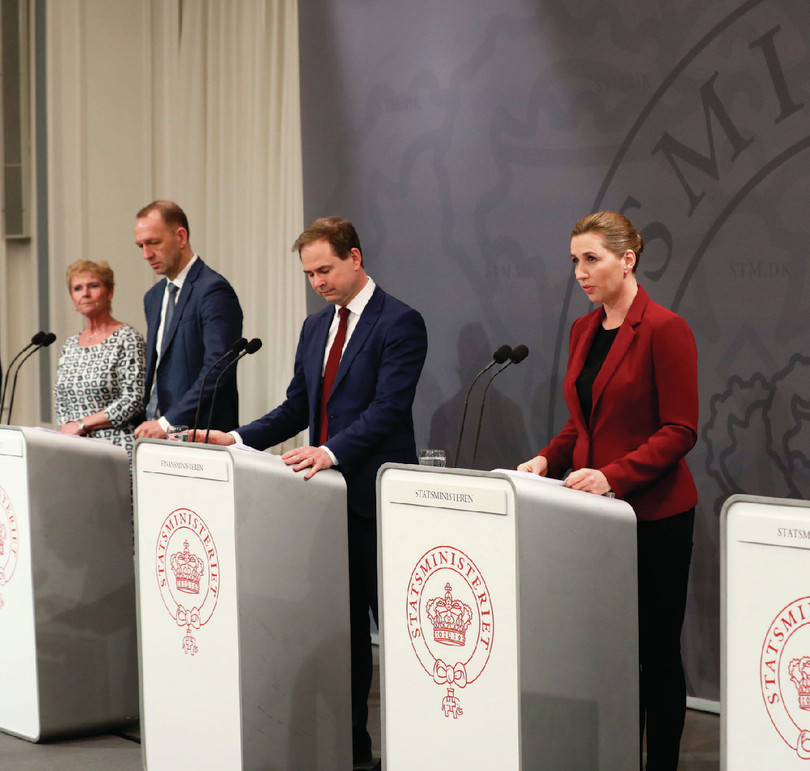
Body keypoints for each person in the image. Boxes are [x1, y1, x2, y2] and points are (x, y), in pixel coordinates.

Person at [199, 216, 428, 769]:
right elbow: (298, 408)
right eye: (309, 274)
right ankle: (352, 752)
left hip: (378, 502)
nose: (318, 282)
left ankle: (416, 749)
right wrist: (237, 438)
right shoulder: (314, 327)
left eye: (325, 269)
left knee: (397, 639)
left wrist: (330, 451)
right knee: (343, 636)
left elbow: (387, 410)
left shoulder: (400, 322)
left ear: (355, 257)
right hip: (325, 504)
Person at [518, 211, 698, 771]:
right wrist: (548, 457)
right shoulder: (582, 331)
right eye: (574, 261)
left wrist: (613, 476)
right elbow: (583, 425)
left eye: (590, 259)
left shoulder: (666, 328)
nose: (580, 272)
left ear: (628, 259)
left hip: (654, 516)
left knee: (655, 655)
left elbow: (680, 430)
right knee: (604, 650)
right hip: (594, 521)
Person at [134, 200, 243, 439]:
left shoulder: (213, 290)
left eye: (153, 243)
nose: (146, 254)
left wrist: (169, 422)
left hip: (200, 433)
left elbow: (218, 369)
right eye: (140, 245)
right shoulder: (153, 297)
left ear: (181, 237)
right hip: (155, 432)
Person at [54, 260, 146, 458]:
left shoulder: (127, 337)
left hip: (115, 448)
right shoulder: (70, 345)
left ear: (110, 292)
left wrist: (81, 425)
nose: (85, 293)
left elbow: (133, 399)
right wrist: (68, 429)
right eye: (77, 288)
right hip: (73, 448)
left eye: (93, 286)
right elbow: (60, 398)